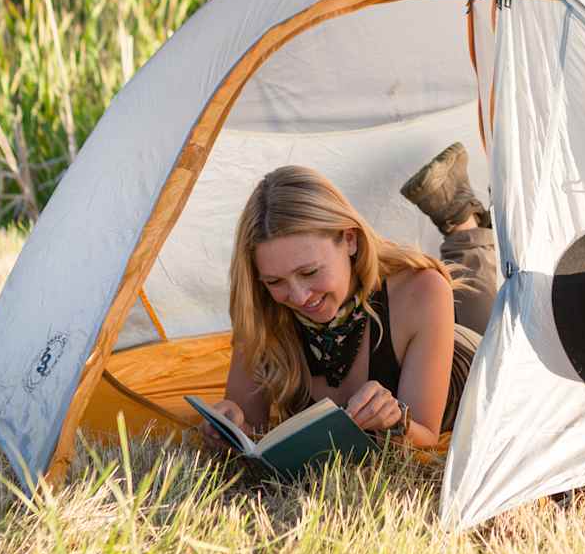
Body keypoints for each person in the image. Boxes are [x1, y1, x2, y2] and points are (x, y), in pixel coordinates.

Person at [202, 148, 498, 452]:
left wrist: (397, 422)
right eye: (275, 281)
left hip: (473, 356)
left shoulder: (421, 289)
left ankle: (461, 220)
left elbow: (425, 438)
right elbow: (250, 429)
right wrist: (232, 425)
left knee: (491, 314)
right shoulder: (261, 305)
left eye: (310, 271)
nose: (299, 296)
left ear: (350, 240)